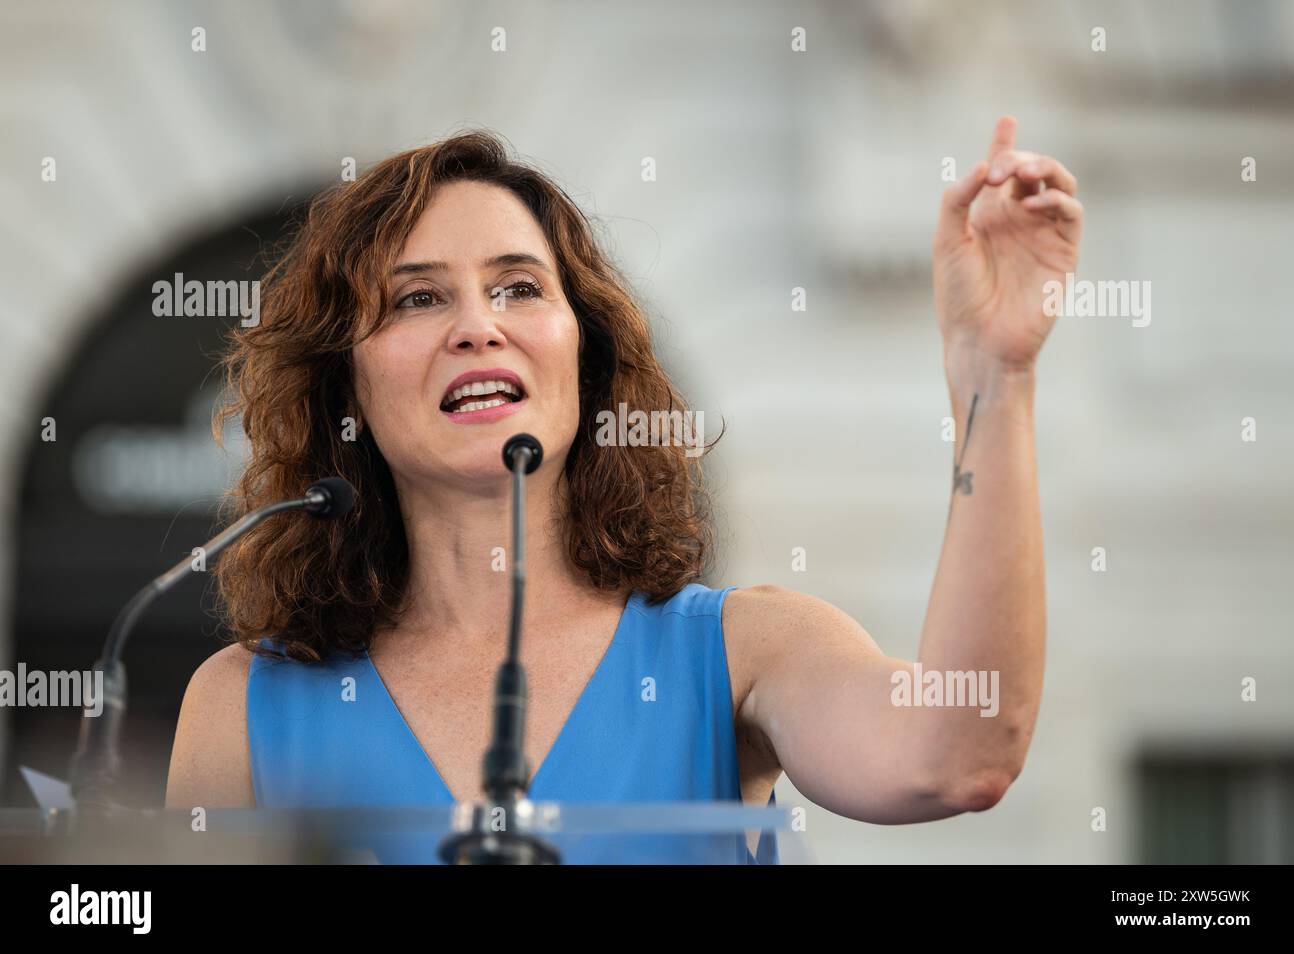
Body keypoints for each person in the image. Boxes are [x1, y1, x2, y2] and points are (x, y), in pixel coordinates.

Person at [165, 116, 1082, 863]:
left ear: (586, 356)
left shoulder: (744, 650)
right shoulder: (241, 704)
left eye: (520, 287)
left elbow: (961, 752)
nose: (479, 327)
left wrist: (993, 373)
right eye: (417, 299)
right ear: (345, 386)